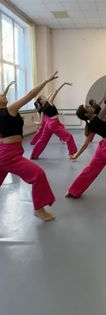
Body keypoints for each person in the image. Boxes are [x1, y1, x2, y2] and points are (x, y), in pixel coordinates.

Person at [0, 72, 58, 222]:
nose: (4, 95)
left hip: (7, 153)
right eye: (1, 96)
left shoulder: (5, 111)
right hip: (8, 155)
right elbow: (31, 94)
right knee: (38, 174)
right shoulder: (9, 110)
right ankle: (39, 209)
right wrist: (46, 80)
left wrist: (6, 89)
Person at [30, 82, 77, 159]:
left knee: (42, 140)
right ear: (41, 101)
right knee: (69, 136)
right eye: (43, 98)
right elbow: (56, 91)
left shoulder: (42, 110)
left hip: (49, 124)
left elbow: (41, 123)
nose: (45, 97)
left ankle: (34, 155)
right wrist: (64, 83)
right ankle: (71, 153)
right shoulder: (49, 102)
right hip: (54, 124)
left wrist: (34, 122)